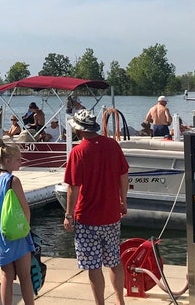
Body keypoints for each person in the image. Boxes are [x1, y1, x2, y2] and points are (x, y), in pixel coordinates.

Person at [63, 109, 129, 305]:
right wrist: (123, 201)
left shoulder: (78, 152)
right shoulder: (113, 146)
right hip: (111, 214)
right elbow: (123, 175)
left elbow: (72, 188)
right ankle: (119, 301)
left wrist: (68, 214)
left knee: (93, 265)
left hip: (87, 217)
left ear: (78, 130)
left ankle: (100, 303)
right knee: (114, 261)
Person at [0, 137, 35, 305]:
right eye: (18, 159)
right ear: (8, 160)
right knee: (25, 276)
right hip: (18, 233)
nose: (20, 162)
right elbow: (25, 209)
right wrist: (27, 230)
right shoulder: (13, 181)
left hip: (1, 234)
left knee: (6, 274)